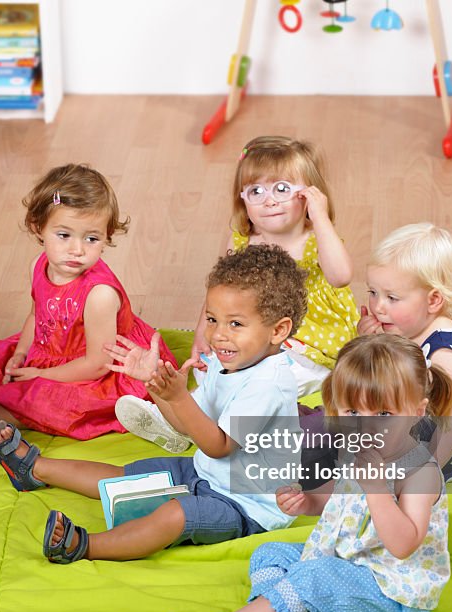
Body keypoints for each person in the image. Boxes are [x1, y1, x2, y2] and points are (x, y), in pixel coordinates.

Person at [0, 245, 307, 563]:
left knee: (175, 515)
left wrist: (179, 397)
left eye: (235, 324)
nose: (218, 335)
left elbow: (218, 445)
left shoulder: (270, 385)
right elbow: (185, 425)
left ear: (278, 330)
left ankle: (82, 546)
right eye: (212, 319)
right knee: (128, 478)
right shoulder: (225, 364)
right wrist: (156, 385)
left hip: (246, 507)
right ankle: (32, 468)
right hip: (205, 473)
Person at [165, 333, 452, 612]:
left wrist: (377, 490)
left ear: (417, 411)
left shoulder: (419, 473)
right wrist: (309, 501)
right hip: (348, 563)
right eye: (352, 413)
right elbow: (342, 496)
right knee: (269, 553)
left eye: (384, 415)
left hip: (391, 599)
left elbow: (404, 544)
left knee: (313, 574)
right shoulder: (359, 446)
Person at [0, 163, 175, 448]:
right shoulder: (39, 265)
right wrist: (20, 353)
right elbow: (36, 314)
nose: (77, 249)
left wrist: (42, 375)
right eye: (64, 235)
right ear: (38, 227)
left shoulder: (99, 295)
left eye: (91, 238)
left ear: (107, 237)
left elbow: (96, 365)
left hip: (93, 374)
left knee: (21, 404)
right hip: (49, 348)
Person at [116, 136, 358, 453]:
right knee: (212, 370)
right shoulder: (245, 238)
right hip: (250, 330)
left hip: (307, 343)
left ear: (309, 196)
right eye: (256, 191)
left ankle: (209, 425)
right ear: (242, 199)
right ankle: (183, 422)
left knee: (267, 380)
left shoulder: (317, 238)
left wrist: (321, 217)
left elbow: (341, 276)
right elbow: (221, 288)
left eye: (282, 190)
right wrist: (204, 331)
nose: (268, 201)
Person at [358, 222, 452, 480]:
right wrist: (369, 341)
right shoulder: (404, 328)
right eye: (372, 292)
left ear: (433, 300)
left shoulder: (443, 353)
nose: (378, 307)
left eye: (392, 298)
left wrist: (427, 469)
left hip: (441, 447)